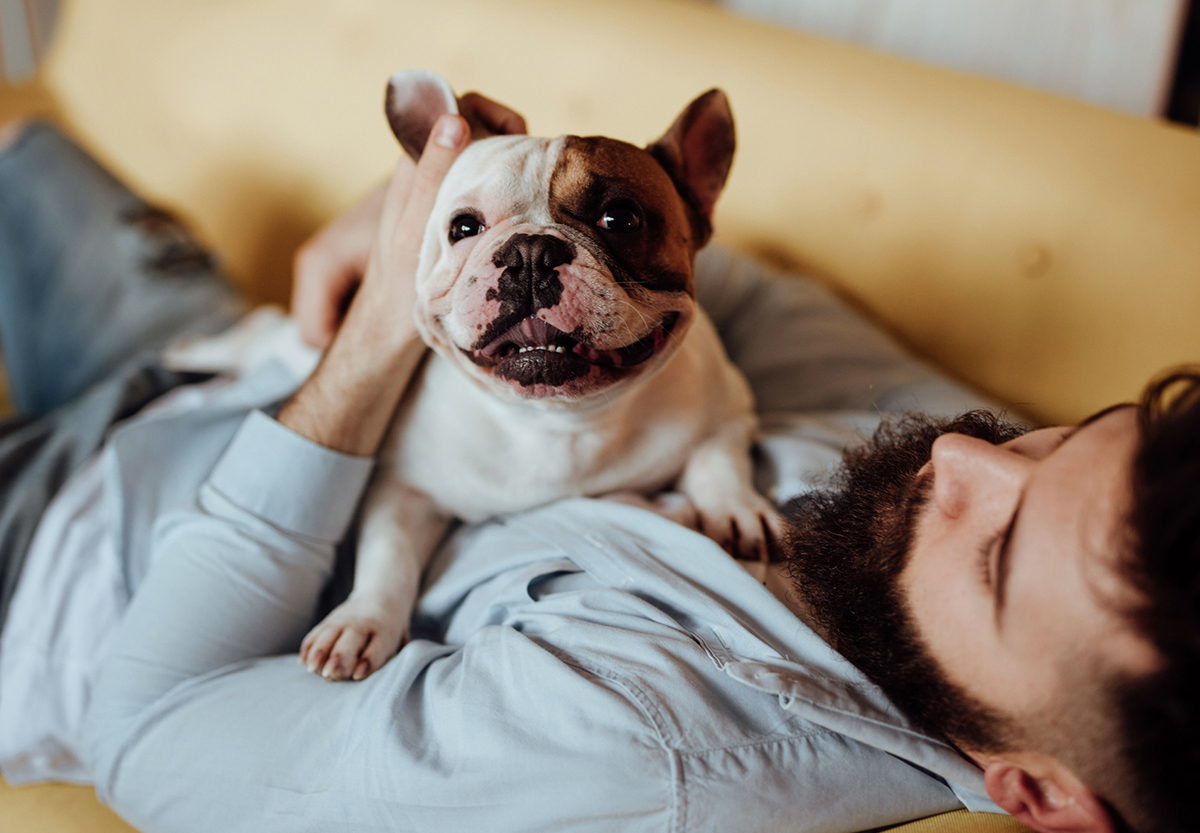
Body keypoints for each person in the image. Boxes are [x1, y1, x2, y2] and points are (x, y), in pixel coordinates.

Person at [0, 108, 1194, 833]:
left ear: (1036, 792)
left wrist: (387, 321)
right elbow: (726, 276)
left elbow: (147, 728)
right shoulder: (997, 494)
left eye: (996, 552)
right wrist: (441, 219)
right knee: (24, 142)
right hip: (223, 354)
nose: (963, 453)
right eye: (1052, 437)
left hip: (58, 556)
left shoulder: (640, 738)